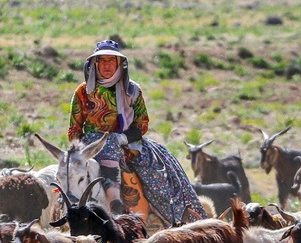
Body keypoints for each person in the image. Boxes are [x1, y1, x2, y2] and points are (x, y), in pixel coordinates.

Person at [67, 40, 205, 224]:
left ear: (119, 64)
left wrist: (122, 138)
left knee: (161, 171)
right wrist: (78, 153)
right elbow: (75, 128)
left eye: (112, 60)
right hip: (91, 146)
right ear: (94, 64)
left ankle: (178, 218)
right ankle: (111, 202)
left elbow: (141, 123)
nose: (107, 65)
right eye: (102, 60)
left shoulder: (132, 90)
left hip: (127, 143)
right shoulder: (83, 92)